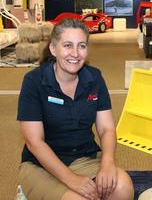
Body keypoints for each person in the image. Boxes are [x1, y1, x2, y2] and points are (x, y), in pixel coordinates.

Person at [17, 18, 133, 200]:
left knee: (123, 187)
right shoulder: (34, 82)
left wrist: (108, 162)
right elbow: (35, 142)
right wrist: (72, 179)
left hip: (84, 157)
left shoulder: (94, 78)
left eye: (81, 46)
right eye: (68, 45)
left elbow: (106, 129)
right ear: (53, 49)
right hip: (42, 165)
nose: (75, 53)